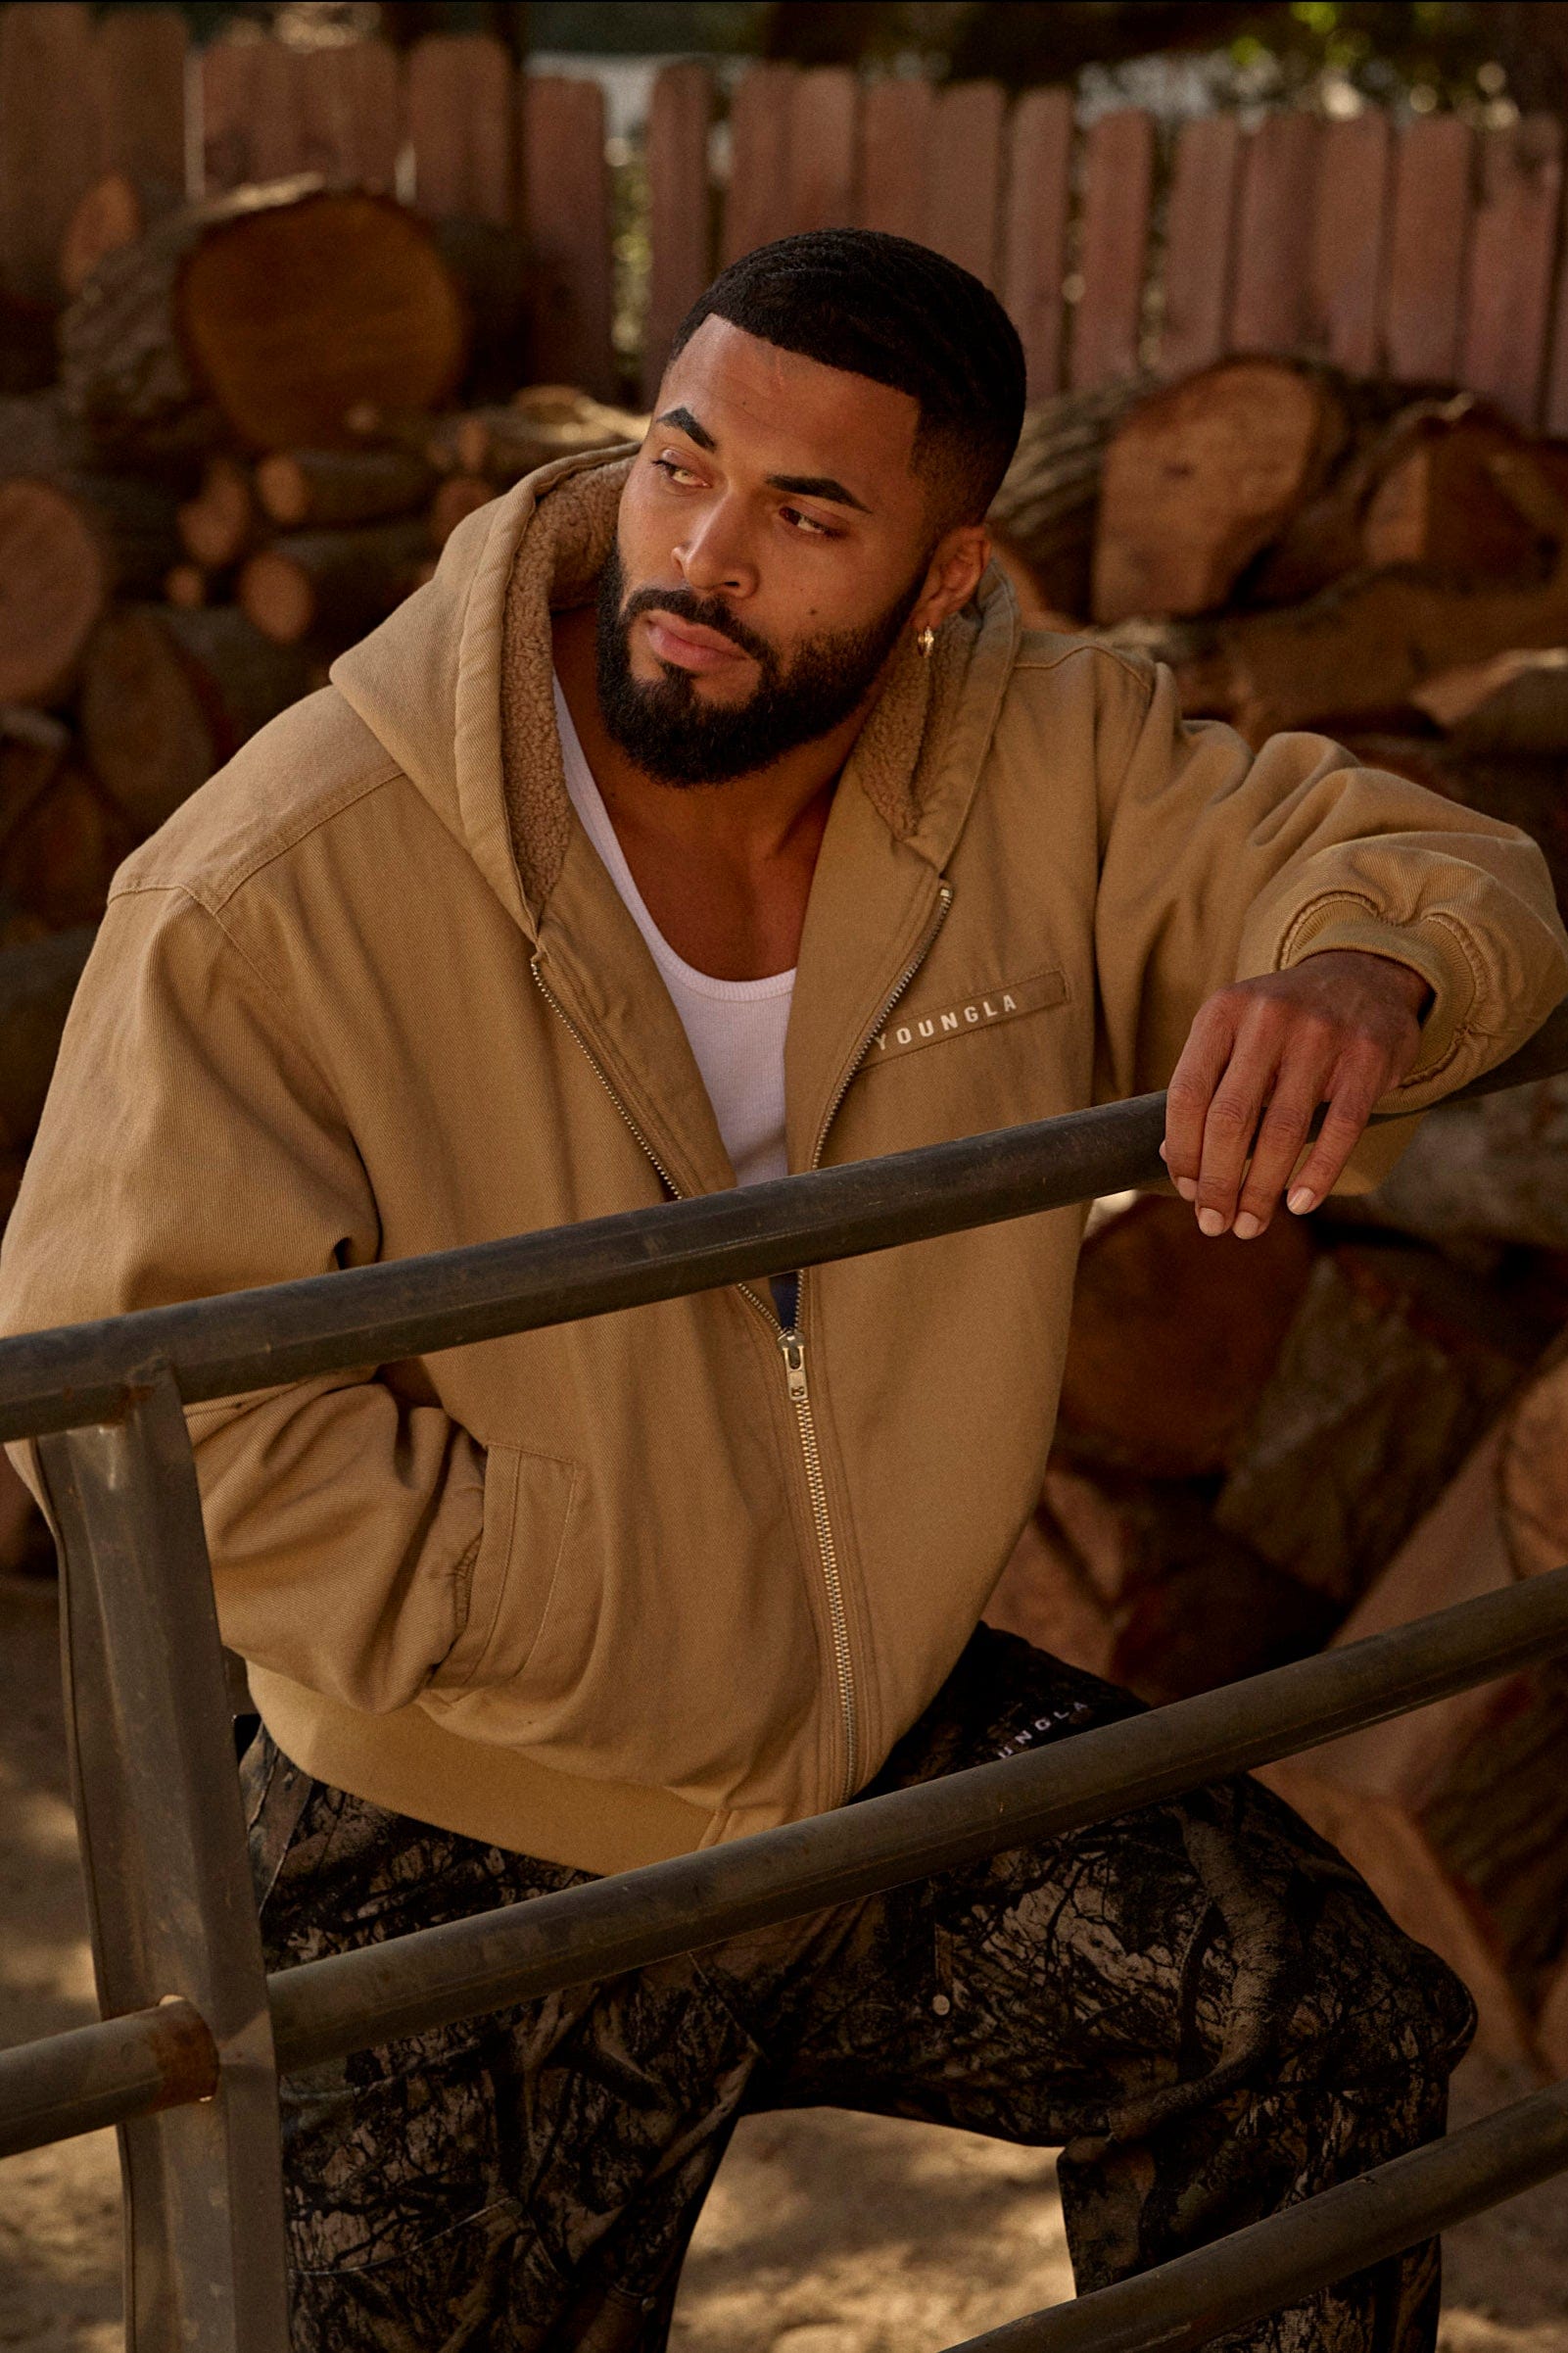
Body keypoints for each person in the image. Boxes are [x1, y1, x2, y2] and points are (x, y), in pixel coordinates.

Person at [3, 230, 1565, 2352]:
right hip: (458, 1811)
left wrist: (1360, 961)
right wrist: (574, 1601)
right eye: (680, 463)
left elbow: (1440, 863)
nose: (705, 554)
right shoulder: (280, 873)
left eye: (809, 515)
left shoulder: (1033, 755)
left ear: (944, 577)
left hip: (870, 1762)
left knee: (1325, 2029)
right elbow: (126, 1406)